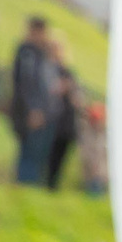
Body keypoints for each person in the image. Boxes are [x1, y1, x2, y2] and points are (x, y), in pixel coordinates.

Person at [8, 16, 61, 188]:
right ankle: (25, 186)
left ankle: (30, 185)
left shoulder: (39, 52)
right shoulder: (28, 53)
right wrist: (34, 109)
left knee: (38, 154)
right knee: (30, 154)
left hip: (42, 112)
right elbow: (27, 83)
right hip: (31, 113)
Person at [43, 31, 80, 192]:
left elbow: (77, 98)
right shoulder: (47, 69)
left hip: (66, 123)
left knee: (59, 159)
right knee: (49, 157)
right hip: (52, 120)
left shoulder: (68, 72)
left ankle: (53, 187)